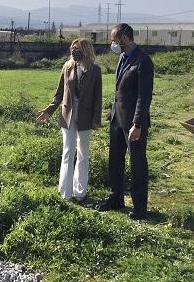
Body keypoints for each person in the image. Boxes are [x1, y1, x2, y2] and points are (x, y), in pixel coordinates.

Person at [98, 23, 153, 220]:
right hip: (117, 119)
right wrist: (112, 112)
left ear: (124, 38)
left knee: (137, 163)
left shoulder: (143, 61)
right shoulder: (122, 58)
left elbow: (143, 97)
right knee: (115, 161)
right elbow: (120, 91)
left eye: (114, 40)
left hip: (133, 123)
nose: (113, 43)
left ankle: (140, 207)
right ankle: (116, 198)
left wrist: (137, 124)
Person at [37, 38, 102, 203]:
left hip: (86, 118)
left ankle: (80, 192)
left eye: (78, 49)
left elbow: (97, 97)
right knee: (67, 153)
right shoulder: (67, 67)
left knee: (83, 155)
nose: (74, 52)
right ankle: (65, 192)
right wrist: (49, 110)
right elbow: (59, 93)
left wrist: (96, 119)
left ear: (86, 51)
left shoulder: (95, 70)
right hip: (68, 117)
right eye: (73, 49)